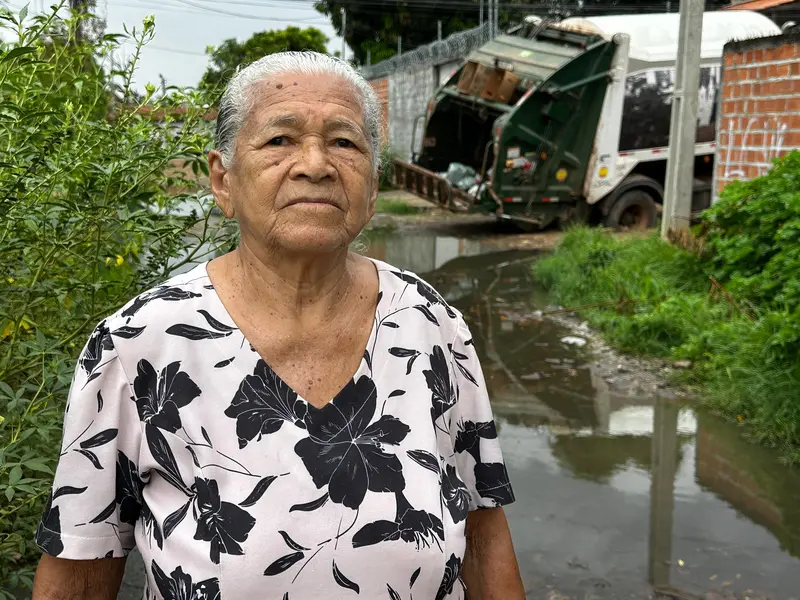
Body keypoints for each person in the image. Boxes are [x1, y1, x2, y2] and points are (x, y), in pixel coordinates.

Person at [31, 51, 524, 600]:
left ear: (373, 186)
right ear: (223, 180)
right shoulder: (138, 346)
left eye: (344, 142)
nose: (315, 164)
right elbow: (78, 570)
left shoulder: (433, 327)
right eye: (279, 141)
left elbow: (482, 536)